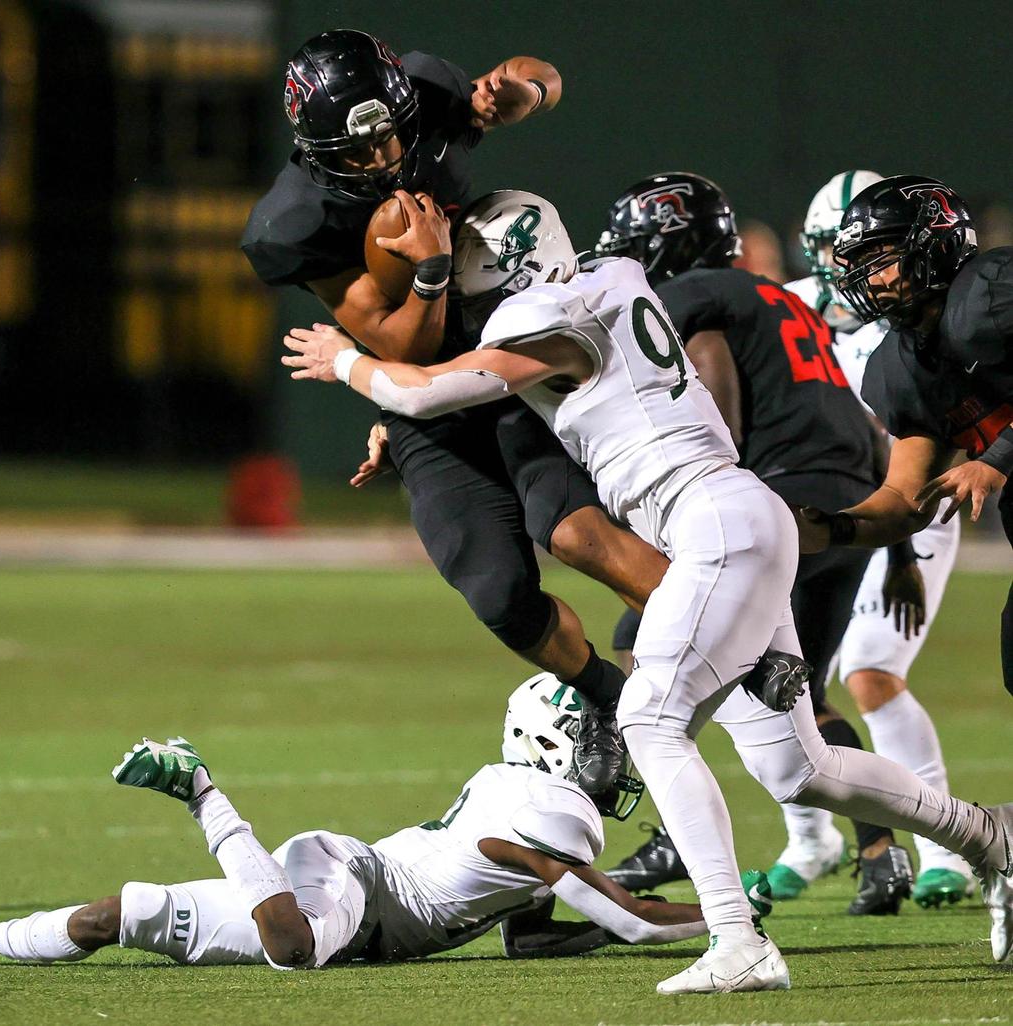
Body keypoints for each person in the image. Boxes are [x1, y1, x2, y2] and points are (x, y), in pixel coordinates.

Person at [281, 189, 1013, 988]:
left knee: (649, 717)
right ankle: (992, 839)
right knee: (802, 770)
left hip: (711, 520)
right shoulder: (617, 278)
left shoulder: (545, 315)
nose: (466, 294)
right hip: (735, 517)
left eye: (471, 276)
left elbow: (428, 386)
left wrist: (345, 360)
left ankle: (739, 941)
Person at [243, 28, 671, 795]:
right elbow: (404, 350)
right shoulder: (296, 221)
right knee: (500, 594)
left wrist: (526, 87)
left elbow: (539, 74)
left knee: (576, 532)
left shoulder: (430, 94)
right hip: (424, 385)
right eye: (357, 151)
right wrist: (432, 274)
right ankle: (609, 701)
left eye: (387, 139)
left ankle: (745, 655)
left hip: (510, 359)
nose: (381, 161)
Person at [0, 674, 735, 972]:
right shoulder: (549, 809)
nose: (613, 759)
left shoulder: (528, 806)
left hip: (356, 891)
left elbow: (535, 935)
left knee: (118, 917)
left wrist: (672, 905)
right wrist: (728, 915)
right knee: (291, 949)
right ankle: (199, 789)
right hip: (353, 885)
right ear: (556, 741)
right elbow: (625, 919)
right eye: (600, 741)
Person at [595, 172, 912, 914]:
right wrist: (891, 546)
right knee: (803, 692)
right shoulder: (776, 297)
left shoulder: (703, 301)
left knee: (640, 642)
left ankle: (680, 837)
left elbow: (722, 430)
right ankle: (880, 854)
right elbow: (867, 431)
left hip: (784, 510)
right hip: (849, 512)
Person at [780, 170, 973, 910]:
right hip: (838, 508)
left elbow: (908, 459)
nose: (851, 269)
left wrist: (896, 552)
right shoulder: (792, 306)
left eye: (863, 251)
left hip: (918, 500)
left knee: (870, 670)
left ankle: (945, 851)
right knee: (788, 675)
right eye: (833, 249)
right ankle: (809, 840)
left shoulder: (915, 323)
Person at [800, 175, 1013, 718]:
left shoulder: (991, 291)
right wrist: (829, 528)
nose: (866, 277)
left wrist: (996, 459)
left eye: (882, 257)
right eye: (859, 262)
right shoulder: (900, 368)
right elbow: (903, 498)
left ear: (935, 242)